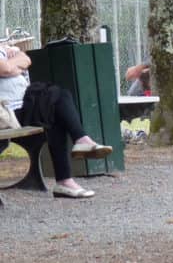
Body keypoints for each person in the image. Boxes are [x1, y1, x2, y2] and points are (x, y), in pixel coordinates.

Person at [0, 44, 112, 199]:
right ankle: (79, 146)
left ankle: (65, 180)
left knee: (56, 103)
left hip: (20, 105)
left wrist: (14, 62)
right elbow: (4, 69)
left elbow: (26, 59)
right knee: (56, 99)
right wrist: (13, 64)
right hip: (7, 113)